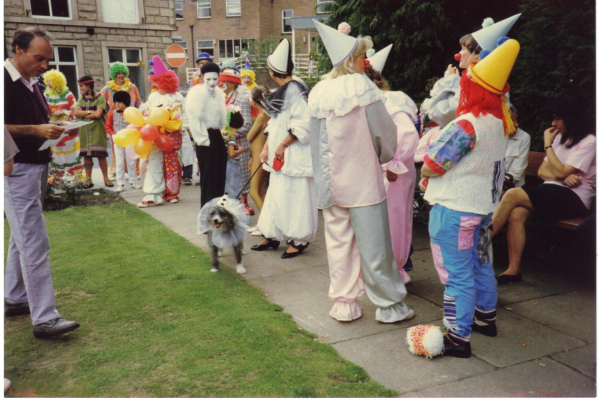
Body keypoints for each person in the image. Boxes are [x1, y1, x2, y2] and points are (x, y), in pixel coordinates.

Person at [309, 21, 414, 323]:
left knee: (339, 244)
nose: (363, 63)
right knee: (375, 247)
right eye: (360, 57)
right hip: (364, 181)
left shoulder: (318, 93)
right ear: (349, 60)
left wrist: (322, 182)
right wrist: (386, 157)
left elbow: (316, 144)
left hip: (332, 183)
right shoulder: (363, 88)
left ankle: (345, 303)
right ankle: (389, 306)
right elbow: (384, 134)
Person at [420, 39, 520, 357]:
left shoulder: (467, 124)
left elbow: (433, 163)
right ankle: (485, 318)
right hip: (481, 211)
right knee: (480, 264)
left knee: (456, 274)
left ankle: (458, 335)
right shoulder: (499, 124)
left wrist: (426, 168)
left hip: (454, 210)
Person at [4, 27, 80, 338]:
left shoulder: (31, 82)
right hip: (17, 170)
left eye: (48, 60)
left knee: (20, 238)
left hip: (33, 168)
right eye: (39, 58)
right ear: (18, 50)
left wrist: (56, 128)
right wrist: (36, 130)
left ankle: (15, 297)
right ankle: (45, 318)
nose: (45, 65)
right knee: (33, 242)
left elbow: (35, 122)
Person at [490, 95, 595, 284]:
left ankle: (481, 241)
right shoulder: (560, 138)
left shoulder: (589, 142)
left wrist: (547, 145)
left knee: (513, 194)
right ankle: (514, 270)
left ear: (571, 118)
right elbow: (542, 171)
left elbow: (559, 169)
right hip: (551, 192)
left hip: (574, 199)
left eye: (557, 118)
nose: (553, 123)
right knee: (517, 214)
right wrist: (562, 175)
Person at [252, 38, 317, 258]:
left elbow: (304, 125)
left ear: (273, 72)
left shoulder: (295, 90)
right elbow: (276, 123)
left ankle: (299, 240)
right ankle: (272, 234)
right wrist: (268, 147)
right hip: (279, 155)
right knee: (277, 195)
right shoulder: (284, 90)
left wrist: (281, 145)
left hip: (295, 155)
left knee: (296, 197)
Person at [365, 47, 420, 284]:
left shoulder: (389, 100)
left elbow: (407, 133)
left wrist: (393, 163)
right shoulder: (378, 101)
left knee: (395, 220)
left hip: (395, 171)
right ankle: (390, 268)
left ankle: (395, 269)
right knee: (388, 220)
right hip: (390, 169)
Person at [428, 15, 521, 128]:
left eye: (463, 49)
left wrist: (450, 80)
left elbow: (442, 113)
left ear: (477, 54)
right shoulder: (497, 81)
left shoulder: (474, 80)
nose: (459, 54)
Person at [187, 62, 242, 207]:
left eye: (215, 79)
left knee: (219, 177)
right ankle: (207, 214)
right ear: (203, 78)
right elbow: (193, 120)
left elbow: (222, 120)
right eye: (208, 79)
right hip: (204, 139)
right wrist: (202, 140)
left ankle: (218, 212)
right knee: (207, 178)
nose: (212, 83)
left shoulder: (219, 94)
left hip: (217, 137)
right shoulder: (196, 94)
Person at [138, 56, 184, 207]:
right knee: (155, 161)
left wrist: (164, 126)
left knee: (171, 163)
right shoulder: (153, 97)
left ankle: (172, 193)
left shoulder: (176, 98)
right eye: (156, 82)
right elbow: (147, 112)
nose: (158, 86)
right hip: (155, 135)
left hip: (171, 136)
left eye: (160, 82)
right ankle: (155, 193)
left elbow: (177, 121)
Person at [220, 63, 254, 214]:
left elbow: (247, 124)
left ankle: (243, 204)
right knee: (229, 177)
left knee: (241, 176)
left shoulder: (241, 99)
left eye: (223, 81)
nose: (221, 84)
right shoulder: (223, 98)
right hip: (226, 145)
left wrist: (231, 135)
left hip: (239, 145)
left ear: (232, 83)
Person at [100, 62, 142, 180]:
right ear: (114, 74)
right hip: (115, 120)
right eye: (118, 73)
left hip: (131, 120)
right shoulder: (107, 88)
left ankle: (134, 170)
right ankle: (116, 170)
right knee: (116, 147)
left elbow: (139, 103)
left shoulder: (132, 87)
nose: (121, 75)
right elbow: (101, 104)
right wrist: (106, 116)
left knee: (132, 146)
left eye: (123, 73)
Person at [42, 69, 83, 176]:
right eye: (47, 81)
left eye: (50, 81)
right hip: (54, 128)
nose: (48, 84)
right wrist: (49, 114)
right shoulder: (46, 95)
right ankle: (58, 178)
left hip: (68, 129)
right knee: (56, 152)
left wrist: (64, 112)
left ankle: (73, 177)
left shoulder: (68, 94)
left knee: (70, 153)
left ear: (58, 82)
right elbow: (43, 111)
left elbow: (75, 111)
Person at [74, 75, 111, 188]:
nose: (80, 88)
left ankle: (106, 178)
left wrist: (84, 112)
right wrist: (91, 112)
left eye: (82, 86)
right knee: (87, 155)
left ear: (89, 86)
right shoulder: (82, 98)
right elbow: (76, 112)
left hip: (98, 130)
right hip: (85, 130)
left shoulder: (100, 98)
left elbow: (98, 114)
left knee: (101, 155)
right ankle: (88, 179)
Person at [245, 85, 271, 235]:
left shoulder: (262, 116)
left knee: (253, 192)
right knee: (261, 190)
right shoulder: (268, 114)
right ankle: (263, 222)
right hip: (257, 156)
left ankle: (267, 224)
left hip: (259, 157)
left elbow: (249, 136)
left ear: (255, 101)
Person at [105, 91, 141, 192]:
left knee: (131, 162)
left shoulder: (132, 113)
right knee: (119, 162)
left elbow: (137, 125)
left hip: (130, 141)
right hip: (118, 141)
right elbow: (108, 126)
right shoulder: (112, 114)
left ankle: (134, 181)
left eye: (120, 102)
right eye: (116, 102)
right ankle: (120, 183)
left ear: (125, 102)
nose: (117, 105)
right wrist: (113, 134)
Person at [503, 105, 531, 190]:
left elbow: (516, 173)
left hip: (511, 188)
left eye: (516, 119)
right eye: (512, 121)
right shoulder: (491, 137)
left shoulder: (524, 137)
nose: (516, 124)